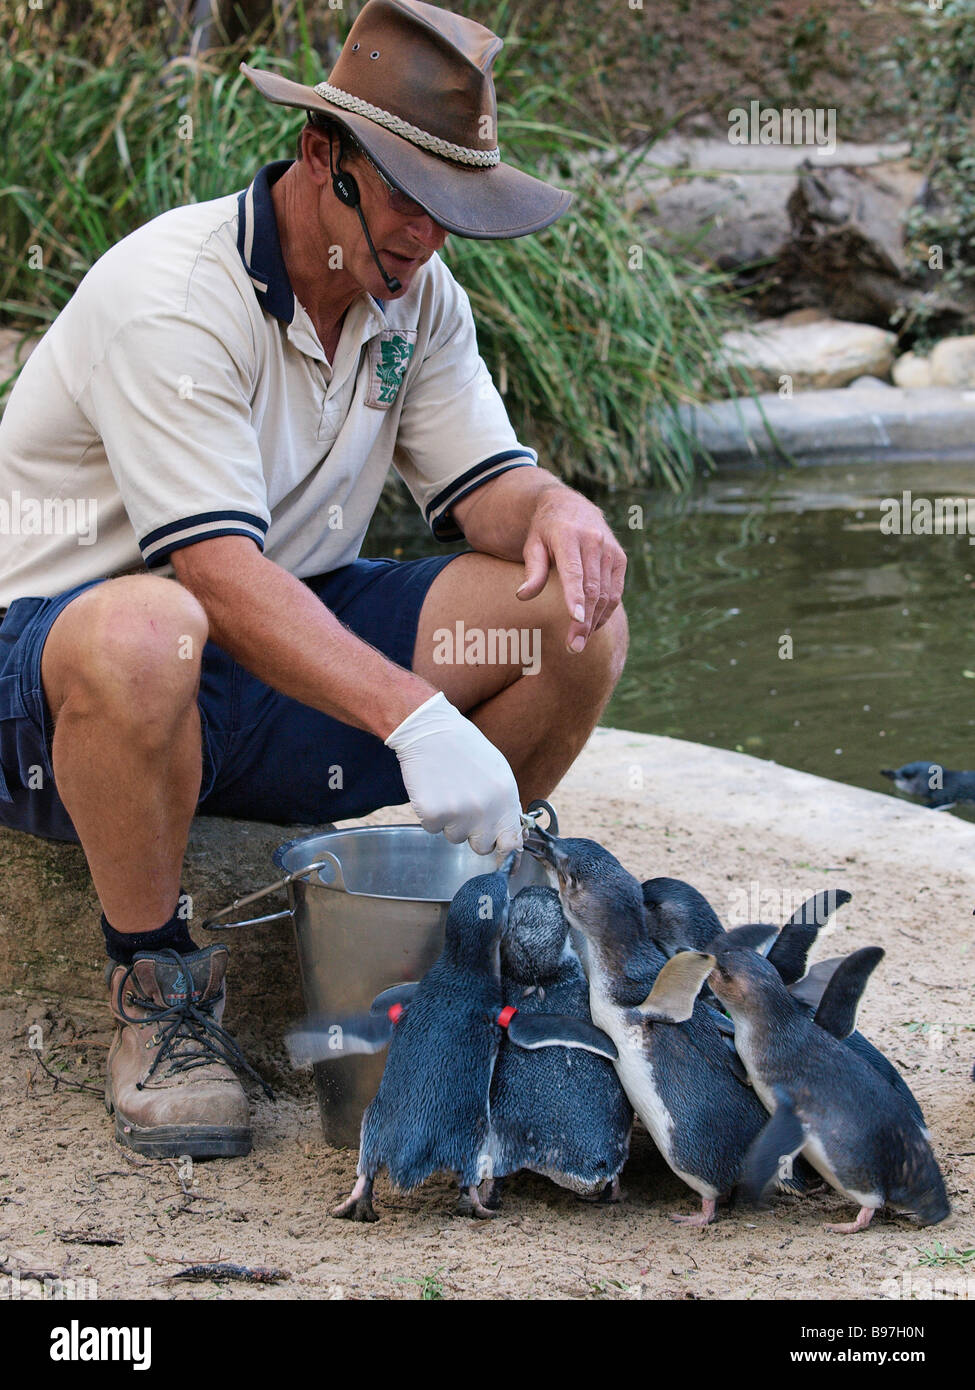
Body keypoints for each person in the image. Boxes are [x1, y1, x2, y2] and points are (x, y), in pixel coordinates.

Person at [0, 0, 627, 1158]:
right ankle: (155, 987)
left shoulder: (417, 296)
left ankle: (463, 959)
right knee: (155, 630)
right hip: (65, 669)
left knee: (571, 617)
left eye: (451, 214)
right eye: (407, 201)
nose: (428, 241)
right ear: (321, 155)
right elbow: (218, 574)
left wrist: (561, 509)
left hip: (268, 652)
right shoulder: (174, 294)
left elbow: (491, 490)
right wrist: (416, 714)